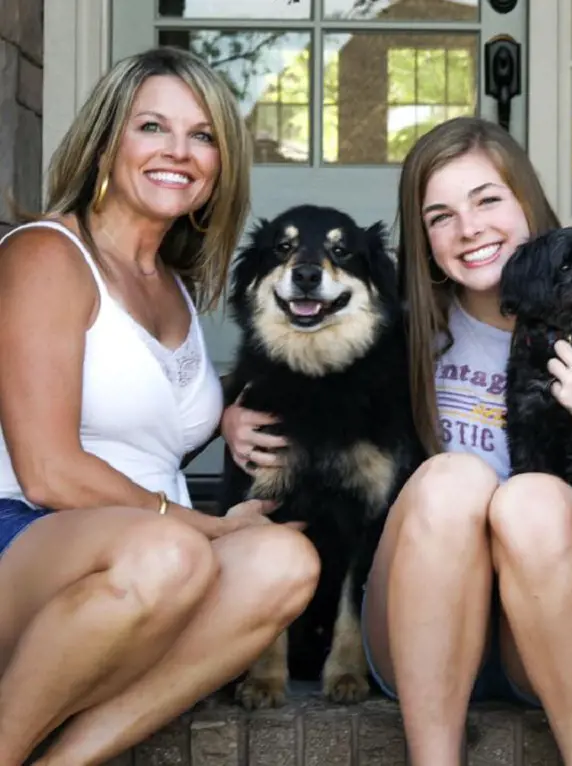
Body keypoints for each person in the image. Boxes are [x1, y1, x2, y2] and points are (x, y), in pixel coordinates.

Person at [221, 115, 572, 766]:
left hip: (556, 635)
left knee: (533, 502)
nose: (468, 229)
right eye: (440, 215)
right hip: (423, 629)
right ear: (424, 237)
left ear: (527, 201)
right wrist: (234, 417)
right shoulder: (405, 337)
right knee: (453, 480)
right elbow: (294, 375)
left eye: (488, 200)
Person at [0, 47, 320, 765]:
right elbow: (50, 470)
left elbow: (139, 422)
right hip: (23, 533)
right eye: (153, 127)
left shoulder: (169, 283)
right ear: (107, 141)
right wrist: (206, 527)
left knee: (287, 562)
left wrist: (221, 422)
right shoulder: (46, 257)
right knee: (171, 554)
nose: (179, 151)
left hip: (145, 565)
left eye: (203, 135)